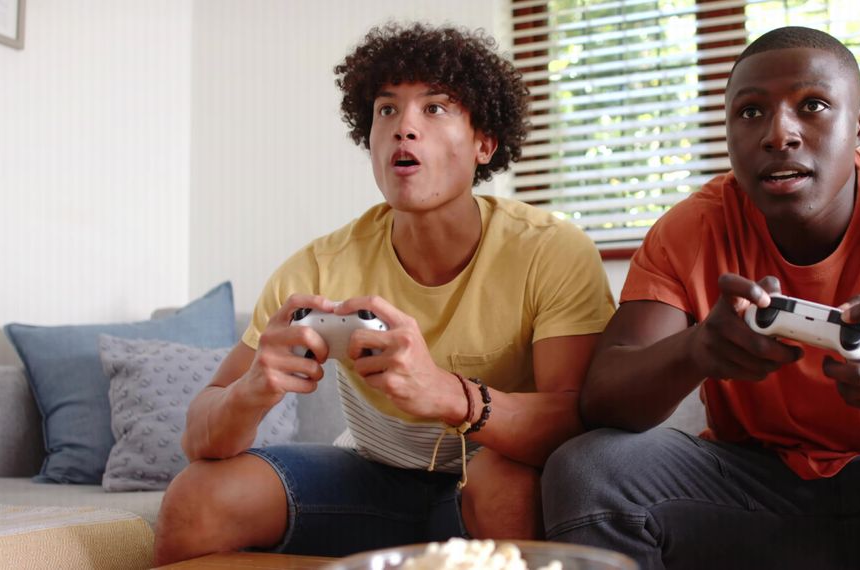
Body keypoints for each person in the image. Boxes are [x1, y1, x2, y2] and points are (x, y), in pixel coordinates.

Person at [541, 26, 860, 569]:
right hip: (743, 490)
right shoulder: (692, 227)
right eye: (750, 113)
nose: (778, 134)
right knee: (587, 467)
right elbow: (602, 397)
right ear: (727, 133)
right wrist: (695, 350)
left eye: (812, 106)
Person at [153, 23, 615, 565]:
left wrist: (449, 394)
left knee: (506, 483)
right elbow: (199, 439)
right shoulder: (320, 267)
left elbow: (575, 422)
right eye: (387, 110)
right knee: (195, 500)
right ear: (368, 138)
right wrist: (251, 390)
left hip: (489, 482)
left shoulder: (550, 250)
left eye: (435, 108)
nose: (405, 128)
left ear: (484, 143)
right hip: (369, 480)